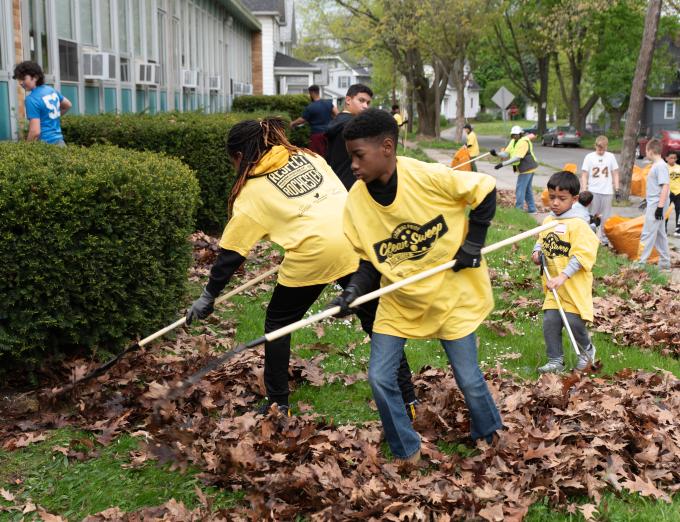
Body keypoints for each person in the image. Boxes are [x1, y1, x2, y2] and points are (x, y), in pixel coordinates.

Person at [185, 117, 416, 416]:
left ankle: (278, 404)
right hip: (355, 237)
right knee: (377, 320)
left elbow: (231, 253)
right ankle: (409, 399)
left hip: (315, 252)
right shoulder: (308, 156)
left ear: (240, 156)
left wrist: (209, 295)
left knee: (279, 323)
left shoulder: (251, 191)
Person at [328, 108, 502, 464]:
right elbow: (369, 262)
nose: (354, 166)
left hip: (451, 295)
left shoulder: (428, 177)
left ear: (387, 148)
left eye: (359, 156)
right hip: (400, 301)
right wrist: (354, 292)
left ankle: (489, 434)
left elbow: (485, 190)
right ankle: (406, 449)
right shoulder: (356, 204)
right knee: (379, 377)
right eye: (351, 158)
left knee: (468, 380)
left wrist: (473, 245)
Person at [531, 171, 600, 373]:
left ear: (575, 199)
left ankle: (587, 352)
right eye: (552, 197)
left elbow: (582, 255)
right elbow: (540, 241)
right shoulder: (548, 222)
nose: (555, 203)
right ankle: (555, 361)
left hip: (573, 286)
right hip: (554, 286)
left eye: (562, 199)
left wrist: (563, 276)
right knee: (550, 321)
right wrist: (536, 253)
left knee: (573, 322)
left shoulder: (579, 225)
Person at [325, 84, 373, 190]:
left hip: (334, 180)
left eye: (368, 103)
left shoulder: (337, 120)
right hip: (352, 183)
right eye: (361, 100)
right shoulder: (355, 124)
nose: (365, 106)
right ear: (348, 100)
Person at [12, 61, 71, 146]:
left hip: (45, 146)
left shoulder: (31, 99)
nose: (21, 82)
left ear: (35, 77)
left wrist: (25, 148)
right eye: (19, 79)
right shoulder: (51, 90)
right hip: (60, 142)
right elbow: (68, 105)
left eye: (23, 78)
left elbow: (35, 132)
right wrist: (51, 118)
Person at [635, 138, 671, 270]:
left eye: (646, 151)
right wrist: (647, 200)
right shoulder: (657, 165)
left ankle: (640, 262)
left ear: (650, 151)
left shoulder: (660, 166)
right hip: (654, 202)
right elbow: (655, 186)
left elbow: (665, 187)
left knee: (647, 233)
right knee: (660, 234)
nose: (645, 153)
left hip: (657, 204)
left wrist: (659, 208)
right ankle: (665, 262)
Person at [580, 136, 621, 246]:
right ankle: (589, 237)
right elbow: (584, 174)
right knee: (591, 216)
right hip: (593, 190)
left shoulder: (611, 157)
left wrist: (617, 189)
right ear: (595, 146)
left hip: (607, 191)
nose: (601, 151)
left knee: (605, 218)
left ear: (606, 147)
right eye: (599, 149)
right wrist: (584, 190)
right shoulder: (589, 157)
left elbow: (615, 173)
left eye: (603, 149)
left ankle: (603, 240)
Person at [494, 125, 538, 213]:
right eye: (513, 135)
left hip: (527, 168)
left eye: (516, 134)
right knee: (527, 189)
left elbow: (517, 157)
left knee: (520, 189)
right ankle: (532, 209)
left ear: (520, 134)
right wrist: (496, 154)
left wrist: (503, 164)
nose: (514, 136)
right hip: (525, 168)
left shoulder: (523, 142)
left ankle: (518, 210)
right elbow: (506, 154)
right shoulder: (513, 141)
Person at [290, 85, 337, 156]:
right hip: (329, 134)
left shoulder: (311, 107)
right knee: (329, 154)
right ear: (318, 92)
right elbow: (337, 114)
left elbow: (302, 120)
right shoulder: (328, 103)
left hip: (317, 136)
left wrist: (292, 123)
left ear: (311, 93)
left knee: (317, 156)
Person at [667, 151, 680, 237]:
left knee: (679, 211)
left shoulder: (679, 167)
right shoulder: (664, 167)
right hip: (668, 193)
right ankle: (663, 228)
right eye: (671, 158)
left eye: (675, 158)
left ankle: (678, 229)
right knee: (666, 211)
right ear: (666, 158)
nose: (673, 160)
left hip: (678, 192)